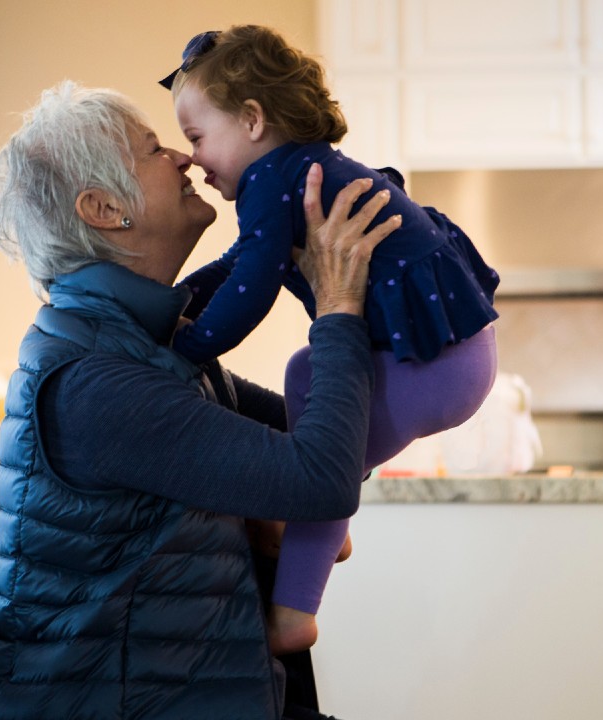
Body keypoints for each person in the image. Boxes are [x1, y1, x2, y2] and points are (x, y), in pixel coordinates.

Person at [0, 80, 399, 720]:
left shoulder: (151, 346)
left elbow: (332, 441)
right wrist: (338, 306)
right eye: (152, 150)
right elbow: (323, 480)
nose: (183, 157)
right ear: (103, 208)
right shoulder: (95, 381)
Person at [160, 24, 501, 655]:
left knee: (318, 435)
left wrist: (192, 343)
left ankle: (294, 610)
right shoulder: (298, 170)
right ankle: (322, 525)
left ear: (253, 121)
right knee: (306, 372)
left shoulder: (272, 180)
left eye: (197, 138)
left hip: (434, 364)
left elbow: (254, 284)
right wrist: (177, 304)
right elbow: (241, 262)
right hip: (456, 356)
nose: (194, 160)